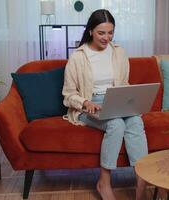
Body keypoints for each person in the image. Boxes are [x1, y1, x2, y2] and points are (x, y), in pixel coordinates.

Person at [62, 9, 148, 200]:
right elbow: (68, 95)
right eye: (101, 33)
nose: (106, 38)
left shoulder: (119, 53)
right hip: (88, 106)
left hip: (115, 101)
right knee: (116, 124)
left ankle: (141, 180)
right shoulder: (78, 56)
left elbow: (124, 84)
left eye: (110, 32)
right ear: (91, 30)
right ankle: (104, 182)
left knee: (135, 120)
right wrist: (85, 101)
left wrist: (129, 99)